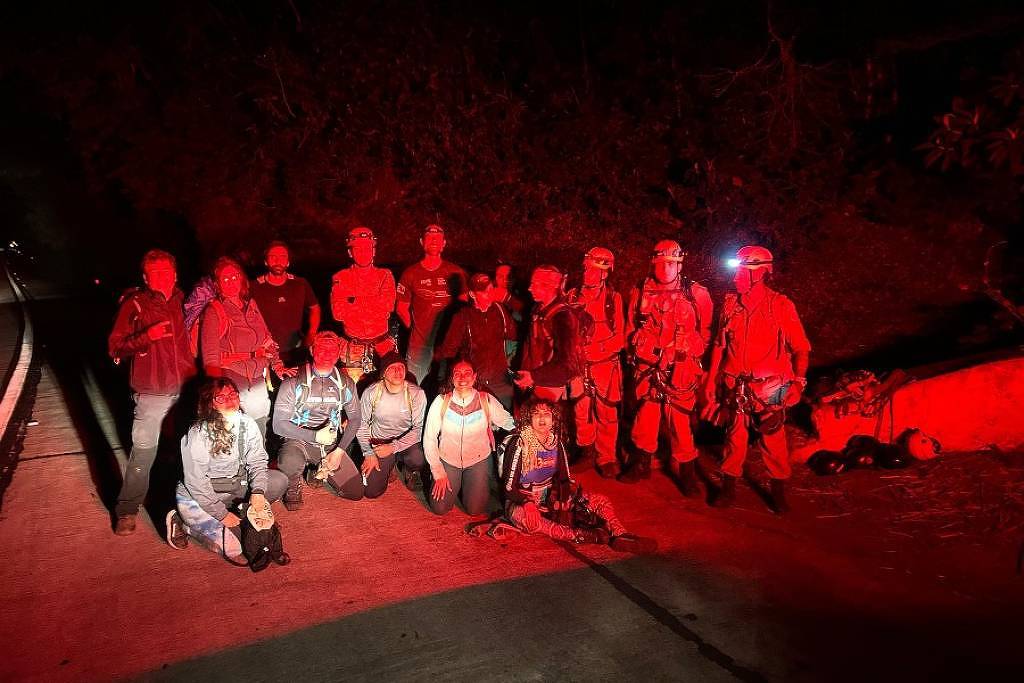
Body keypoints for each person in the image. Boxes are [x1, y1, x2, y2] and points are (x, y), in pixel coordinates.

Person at [701, 246, 811, 513]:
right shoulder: (730, 304)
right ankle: (728, 488)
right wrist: (710, 380)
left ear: (759, 273)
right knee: (734, 437)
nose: (735, 277)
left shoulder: (780, 305)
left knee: (773, 438)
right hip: (734, 383)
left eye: (741, 271)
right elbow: (719, 345)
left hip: (772, 385)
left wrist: (798, 382)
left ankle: (778, 492)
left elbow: (801, 348)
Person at [108, 249, 196, 535]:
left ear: (176, 274)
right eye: (154, 272)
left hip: (187, 388)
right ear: (145, 277)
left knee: (189, 452)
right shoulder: (135, 303)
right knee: (144, 454)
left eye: (166, 271)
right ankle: (127, 510)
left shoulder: (186, 300)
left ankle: (192, 507)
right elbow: (115, 347)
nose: (162, 277)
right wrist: (147, 336)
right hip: (151, 392)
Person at [501, 398, 657, 552]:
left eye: (547, 414)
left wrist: (564, 499)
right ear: (529, 418)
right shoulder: (520, 444)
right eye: (536, 414)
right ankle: (579, 535)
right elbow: (508, 488)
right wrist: (527, 503)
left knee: (601, 500)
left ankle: (621, 534)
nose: (542, 418)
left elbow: (565, 479)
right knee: (524, 518)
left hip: (550, 500)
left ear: (554, 419)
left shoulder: (556, 443)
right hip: (524, 502)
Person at [620, 240, 713, 492]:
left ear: (679, 264)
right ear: (653, 263)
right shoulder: (640, 292)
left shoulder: (696, 294)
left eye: (671, 263)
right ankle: (640, 463)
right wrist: (637, 352)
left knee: (680, 422)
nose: (665, 269)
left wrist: (687, 351)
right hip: (648, 367)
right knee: (645, 418)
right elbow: (631, 327)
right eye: (661, 263)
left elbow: (705, 333)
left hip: (680, 369)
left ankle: (687, 472)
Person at [165, 378, 289, 560]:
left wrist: (258, 492)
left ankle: (242, 511)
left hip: (235, 487)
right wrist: (222, 515)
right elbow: (196, 482)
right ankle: (183, 521)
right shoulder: (198, 434)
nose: (230, 401)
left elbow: (257, 460)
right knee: (234, 549)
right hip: (200, 496)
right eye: (221, 398)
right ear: (210, 404)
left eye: (233, 395)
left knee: (279, 481)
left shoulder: (247, 424)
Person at [200, 256, 291, 438]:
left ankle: (257, 464)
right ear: (217, 283)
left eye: (234, 277)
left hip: (257, 377)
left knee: (260, 428)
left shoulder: (251, 306)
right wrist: (219, 390)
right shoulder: (214, 311)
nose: (231, 282)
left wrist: (278, 365)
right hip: (234, 377)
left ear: (241, 279)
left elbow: (267, 340)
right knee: (237, 429)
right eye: (225, 279)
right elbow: (210, 356)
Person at [272, 331, 363, 509]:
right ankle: (292, 484)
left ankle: (315, 472)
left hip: (330, 444)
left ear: (338, 354)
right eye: (322, 349)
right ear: (312, 350)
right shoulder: (292, 382)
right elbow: (278, 425)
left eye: (332, 350)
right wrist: (314, 436)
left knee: (355, 492)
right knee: (289, 460)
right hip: (298, 441)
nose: (327, 354)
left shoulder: (346, 383)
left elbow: (355, 419)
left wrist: (339, 452)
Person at [423, 360, 515, 516]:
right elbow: (429, 438)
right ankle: (457, 484)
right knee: (440, 508)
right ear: (452, 379)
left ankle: (472, 485)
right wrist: (437, 471)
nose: (462, 378)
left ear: (474, 377)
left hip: (478, 460)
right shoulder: (441, 401)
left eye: (467, 373)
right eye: (457, 374)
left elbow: (508, 422)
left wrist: (529, 429)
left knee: (475, 510)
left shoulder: (485, 400)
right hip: (448, 460)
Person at [567, 247, 626, 478]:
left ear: (604, 273)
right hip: (578, 365)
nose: (586, 274)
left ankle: (607, 457)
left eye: (592, 270)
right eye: (585, 269)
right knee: (581, 409)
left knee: (606, 412)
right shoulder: (572, 295)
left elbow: (620, 337)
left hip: (605, 365)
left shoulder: (614, 299)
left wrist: (597, 350)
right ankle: (586, 451)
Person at [396, 224, 467, 386]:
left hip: (448, 347)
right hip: (419, 347)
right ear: (422, 242)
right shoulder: (410, 273)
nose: (434, 240)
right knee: (415, 388)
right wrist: (417, 330)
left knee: (447, 388)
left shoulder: (456, 272)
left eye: (438, 238)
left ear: (444, 243)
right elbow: (401, 309)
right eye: (429, 237)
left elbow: (464, 309)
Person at [434, 273, 516, 410]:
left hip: (501, 381)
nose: (490, 294)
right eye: (484, 291)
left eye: (491, 289)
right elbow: (448, 350)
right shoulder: (463, 317)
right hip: (476, 383)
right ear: (472, 294)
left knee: (505, 423)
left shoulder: (500, 311)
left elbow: (514, 335)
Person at [355, 351, 429, 496]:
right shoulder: (372, 392)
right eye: (392, 368)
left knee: (418, 456)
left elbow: (419, 428)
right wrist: (368, 453)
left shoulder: (416, 393)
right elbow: (361, 423)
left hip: (406, 443)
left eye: (401, 367)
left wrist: (394, 446)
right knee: (370, 492)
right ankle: (389, 467)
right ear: (383, 373)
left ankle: (411, 470)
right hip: (379, 443)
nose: (398, 371)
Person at [330, 226, 397, 384]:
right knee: (351, 394)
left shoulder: (385, 275)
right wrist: (374, 302)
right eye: (357, 249)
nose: (363, 253)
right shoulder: (341, 277)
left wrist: (353, 301)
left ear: (374, 251)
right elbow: (338, 313)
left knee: (385, 390)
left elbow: (387, 306)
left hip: (383, 347)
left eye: (367, 248)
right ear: (350, 252)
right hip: (352, 348)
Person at [514, 265, 580, 402]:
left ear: (550, 286)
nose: (529, 288)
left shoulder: (563, 317)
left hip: (551, 392)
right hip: (533, 387)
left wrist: (534, 376)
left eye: (534, 284)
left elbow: (567, 364)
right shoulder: (537, 310)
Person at [250, 241, 321, 368]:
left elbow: (314, 308)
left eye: (283, 257)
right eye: (273, 257)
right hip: (265, 351)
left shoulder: (300, 284)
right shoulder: (254, 287)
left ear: (288, 262)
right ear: (266, 261)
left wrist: (311, 335)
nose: (278, 261)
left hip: (296, 350)